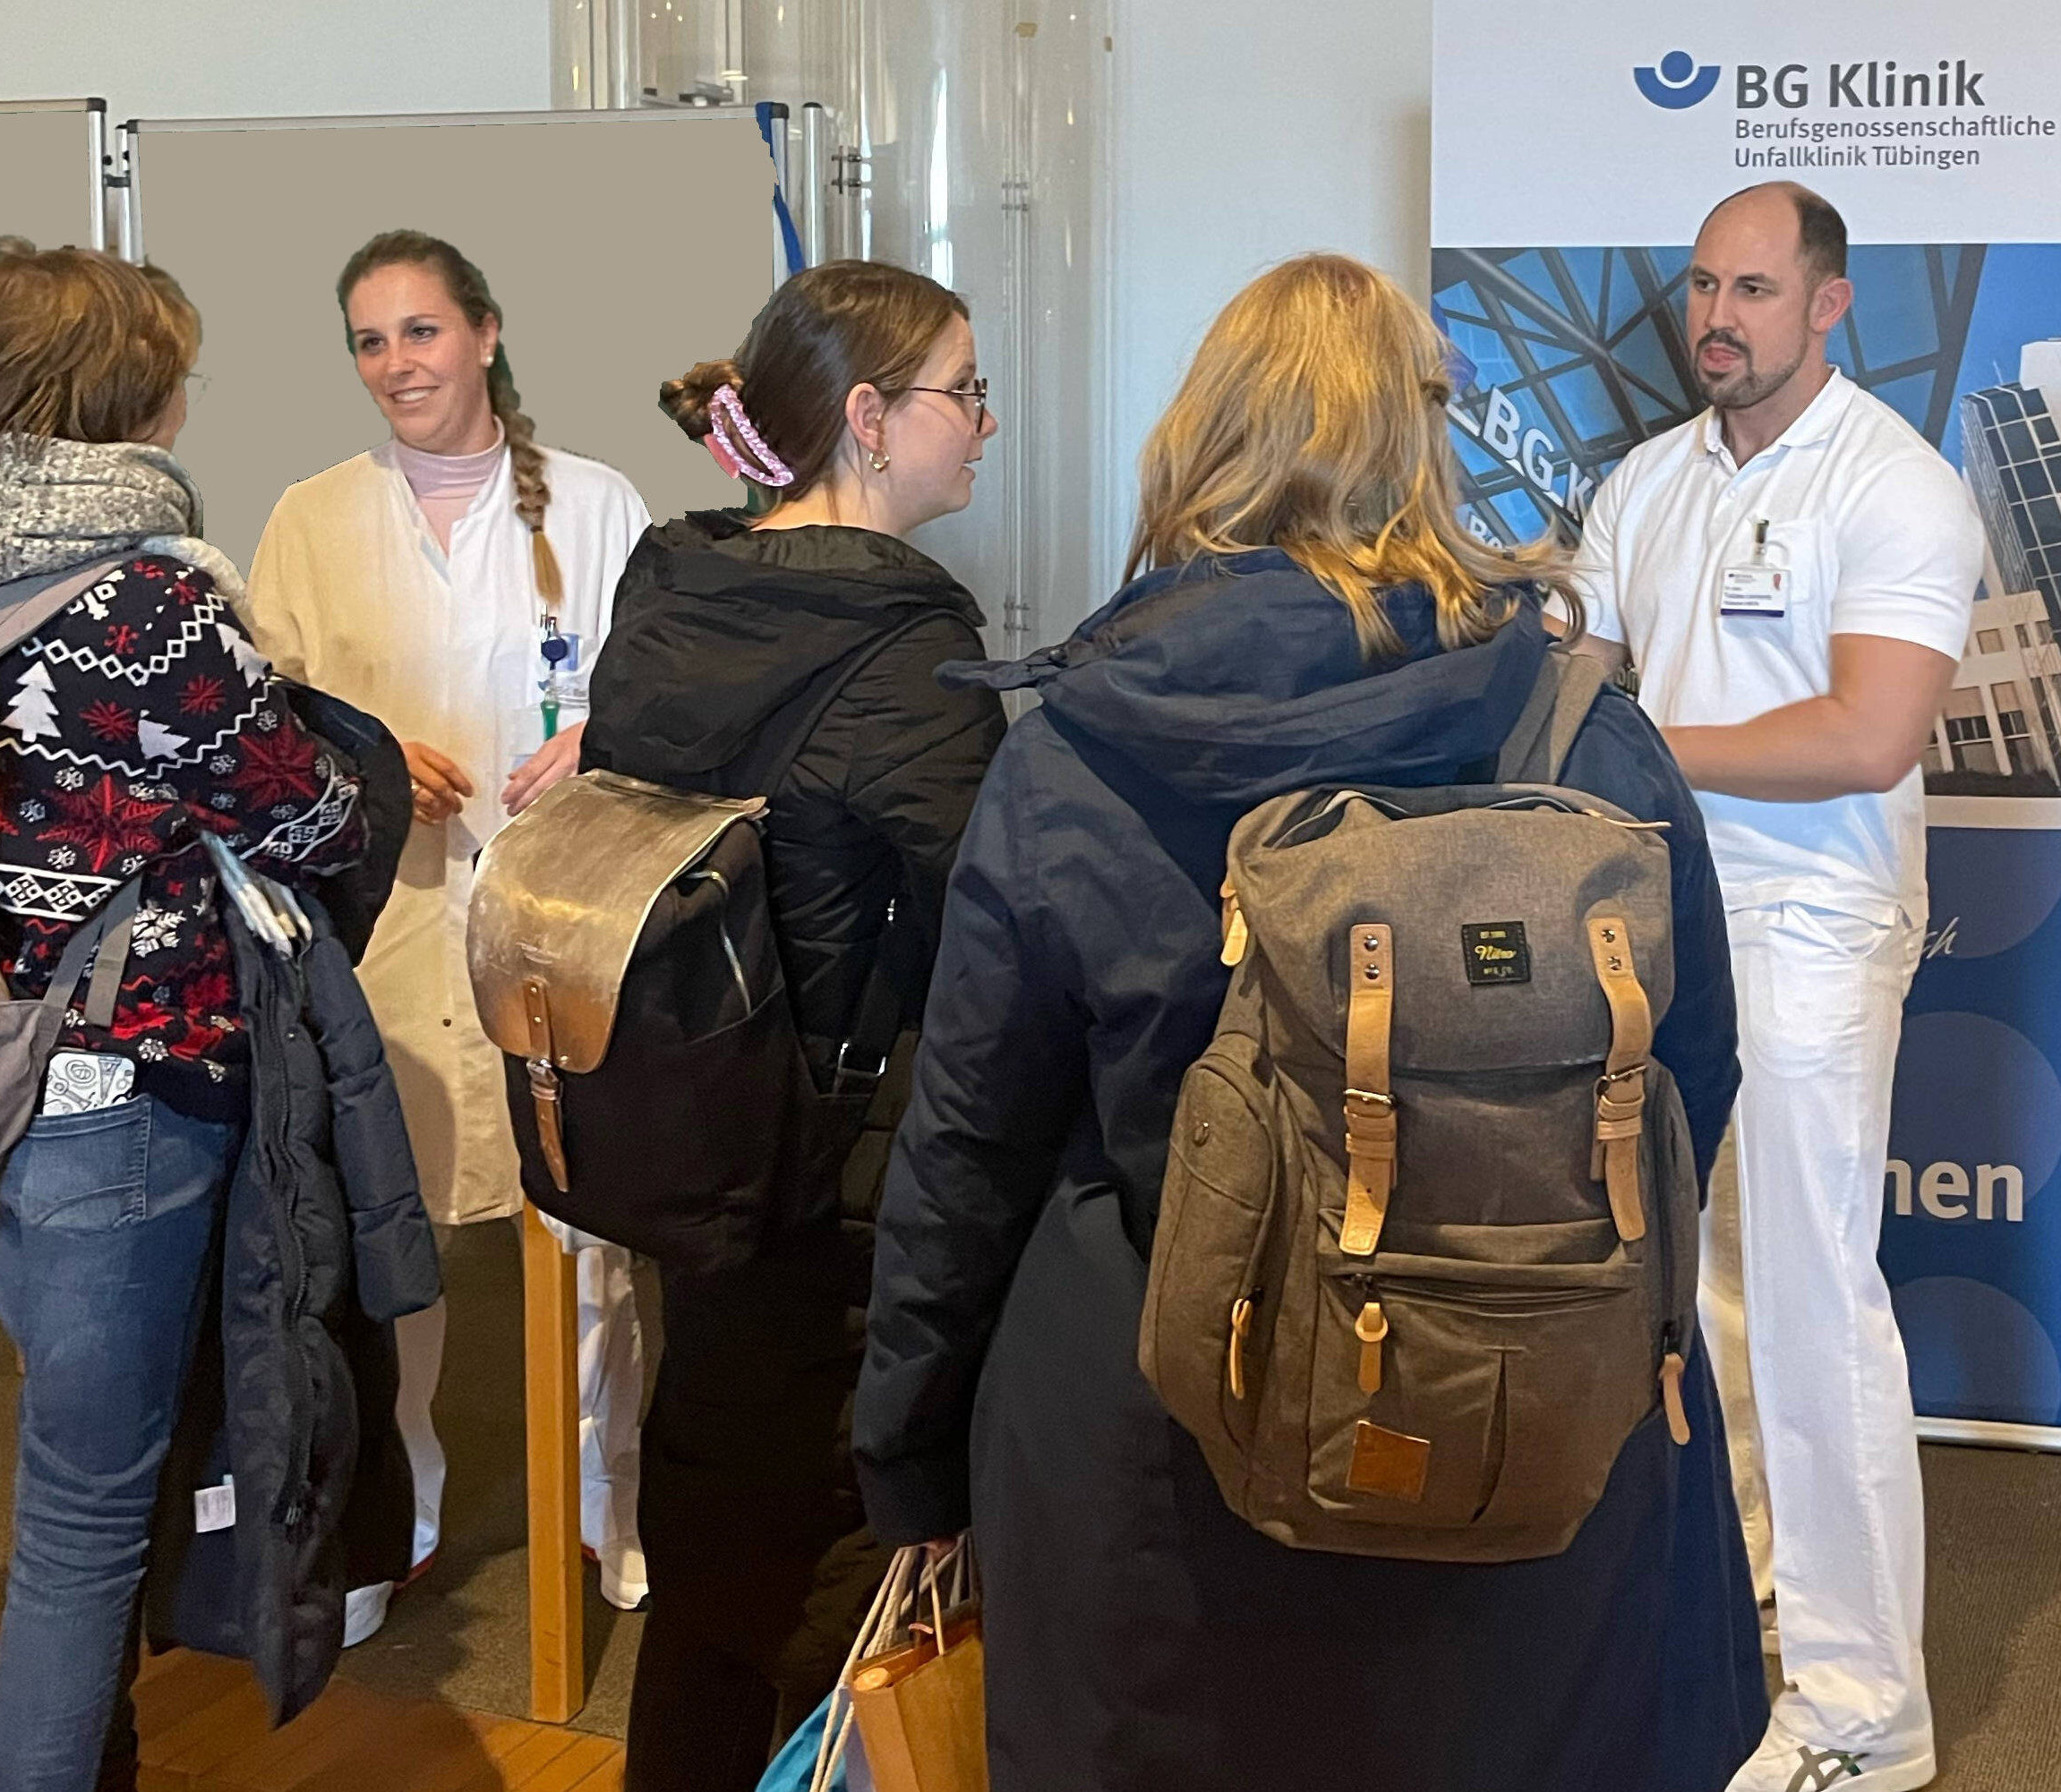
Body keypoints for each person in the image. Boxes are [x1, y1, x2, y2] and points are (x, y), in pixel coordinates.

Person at [855, 252, 1767, 1792]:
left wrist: (908, 1453)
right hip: (1521, 1432)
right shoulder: (1582, 734)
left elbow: (968, 1144)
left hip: (1159, 1446)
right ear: (1423, 441)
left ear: (1200, 441)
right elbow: (1691, 1075)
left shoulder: (1075, 750)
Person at [0, 245, 372, 1789]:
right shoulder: (153, 600)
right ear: (130, 394)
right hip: (120, 1092)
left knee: (79, 1443)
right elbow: (306, 815)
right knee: (88, 1511)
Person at [1562, 183, 1980, 1792]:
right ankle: (1757, 1625)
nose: (1716, 317)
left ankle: (1866, 1712)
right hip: (1651, 924)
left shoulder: (1895, 483)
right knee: (1698, 1298)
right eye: (1700, 287)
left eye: (1751, 288)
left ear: (1828, 302)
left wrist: (1637, 749)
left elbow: (1867, 735)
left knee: (1809, 1301)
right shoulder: (1646, 481)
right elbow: (1572, 674)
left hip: (1812, 924)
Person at [580, 259, 1007, 1789]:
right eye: (966, 390)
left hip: (681, 1134)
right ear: (870, 418)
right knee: (848, 1567)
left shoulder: (671, 589)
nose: (986, 421)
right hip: (844, 1179)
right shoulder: (905, 650)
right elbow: (997, 930)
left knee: (710, 1526)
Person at [239, 230, 654, 1627]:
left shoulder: (595, 503)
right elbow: (265, 718)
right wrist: (358, 758)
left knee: (589, 1238)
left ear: (483, 332)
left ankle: (607, 1500)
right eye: (369, 341)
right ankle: (393, 1514)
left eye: (419, 331)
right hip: (390, 925)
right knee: (383, 1233)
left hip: (558, 917)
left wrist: (601, 731)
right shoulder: (311, 516)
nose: (395, 364)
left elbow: (659, 693)